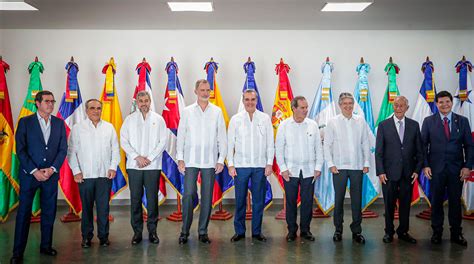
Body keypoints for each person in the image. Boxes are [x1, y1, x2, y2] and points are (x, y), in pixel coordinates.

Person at [11, 91, 67, 263]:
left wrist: (51, 169)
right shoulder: (25, 122)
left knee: (49, 212)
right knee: (24, 214)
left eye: (53, 101)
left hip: (50, 176)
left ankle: (46, 246)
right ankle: (17, 253)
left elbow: (62, 149)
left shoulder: (59, 123)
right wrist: (34, 171)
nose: (51, 104)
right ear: (37, 103)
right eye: (47, 101)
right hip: (30, 176)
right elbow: (20, 150)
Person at [177, 79, 227, 244]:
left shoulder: (217, 111)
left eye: (208, 90)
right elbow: (181, 135)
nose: (205, 93)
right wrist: (180, 158)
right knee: (188, 194)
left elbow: (222, 138)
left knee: (207, 197)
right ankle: (184, 231)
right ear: (196, 91)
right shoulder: (187, 111)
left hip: (210, 161)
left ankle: (203, 231)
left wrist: (220, 159)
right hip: (190, 160)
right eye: (202, 90)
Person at [421, 91, 471, 246]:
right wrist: (426, 165)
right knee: (436, 202)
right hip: (436, 169)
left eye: (447, 101)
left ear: (451, 102)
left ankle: (456, 233)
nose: (444, 105)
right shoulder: (428, 121)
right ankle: (437, 232)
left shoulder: (462, 121)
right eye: (441, 102)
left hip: (457, 170)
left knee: (455, 202)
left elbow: (469, 146)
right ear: (436, 104)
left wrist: (467, 166)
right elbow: (423, 146)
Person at [67, 99, 120, 248]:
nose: (96, 111)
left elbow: (115, 149)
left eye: (98, 108)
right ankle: (86, 237)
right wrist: (76, 171)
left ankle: (103, 237)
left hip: (104, 175)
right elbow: (71, 152)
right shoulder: (77, 128)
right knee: (87, 209)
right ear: (86, 110)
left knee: (103, 209)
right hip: (85, 177)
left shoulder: (109, 128)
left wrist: (113, 167)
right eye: (92, 108)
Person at [121, 91, 168, 245]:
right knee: (135, 200)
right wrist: (137, 157)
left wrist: (149, 158)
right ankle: (137, 232)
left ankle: (153, 232)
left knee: (152, 200)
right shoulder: (129, 120)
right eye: (140, 101)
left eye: (146, 100)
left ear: (150, 101)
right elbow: (124, 141)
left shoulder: (158, 119)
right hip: (134, 166)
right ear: (137, 102)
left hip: (152, 166)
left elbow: (163, 141)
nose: (143, 103)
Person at [375, 96, 423, 244]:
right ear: (393, 107)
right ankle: (388, 232)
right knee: (389, 205)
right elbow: (379, 152)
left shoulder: (414, 125)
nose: (399, 108)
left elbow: (420, 151)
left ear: (407, 108)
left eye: (402, 105)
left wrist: (417, 170)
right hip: (389, 174)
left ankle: (403, 231)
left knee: (405, 206)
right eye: (396, 105)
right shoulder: (384, 125)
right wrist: (381, 171)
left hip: (408, 174)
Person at [227, 89, 274, 243]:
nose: (250, 102)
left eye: (252, 99)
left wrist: (269, 163)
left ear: (256, 100)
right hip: (241, 166)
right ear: (243, 100)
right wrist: (231, 165)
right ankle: (239, 231)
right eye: (247, 99)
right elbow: (230, 144)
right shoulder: (236, 119)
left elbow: (270, 144)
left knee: (258, 201)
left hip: (260, 166)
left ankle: (256, 232)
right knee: (240, 200)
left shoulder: (265, 118)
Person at [324, 92, 370, 244]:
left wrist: (366, 163)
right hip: (339, 167)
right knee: (339, 200)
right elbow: (327, 145)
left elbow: (365, 143)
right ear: (340, 105)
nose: (348, 106)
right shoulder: (332, 122)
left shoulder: (360, 121)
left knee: (357, 200)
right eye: (345, 104)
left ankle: (357, 231)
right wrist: (331, 164)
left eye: (350, 103)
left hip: (357, 166)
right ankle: (338, 230)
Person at [275, 96, 323, 242]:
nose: (305, 110)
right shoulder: (284, 125)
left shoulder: (313, 125)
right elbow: (279, 149)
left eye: (306, 107)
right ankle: (291, 230)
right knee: (290, 202)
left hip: (309, 171)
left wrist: (318, 167)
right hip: (290, 171)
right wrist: (282, 168)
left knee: (308, 202)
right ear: (294, 108)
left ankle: (305, 230)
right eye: (302, 108)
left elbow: (318, 148)